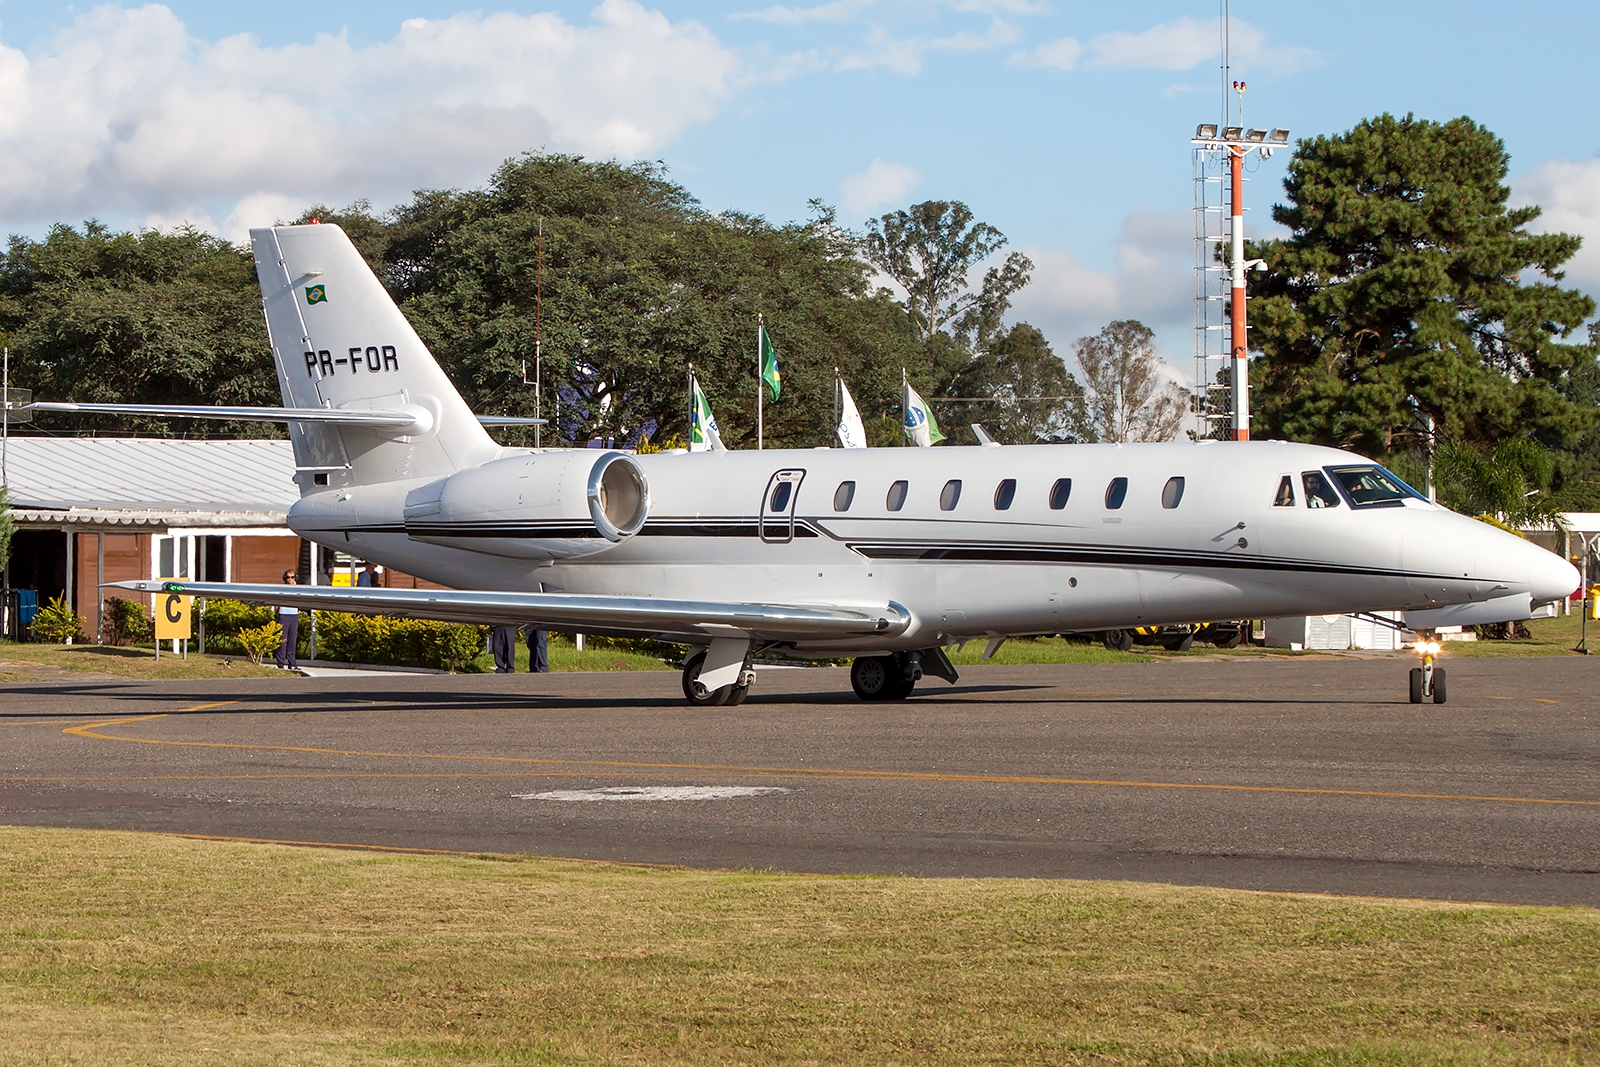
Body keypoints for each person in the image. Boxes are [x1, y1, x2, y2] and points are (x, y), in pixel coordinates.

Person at [276, 570, 300, 670]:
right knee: (282, 639)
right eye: (288, 577)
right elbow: (276, 602)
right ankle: (280, 663)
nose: (290, 579)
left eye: (292, 577)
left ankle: (292, 663)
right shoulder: (282, 588)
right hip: (284, 614)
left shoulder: (297, 588)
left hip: (294, 615)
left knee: (293, 640)